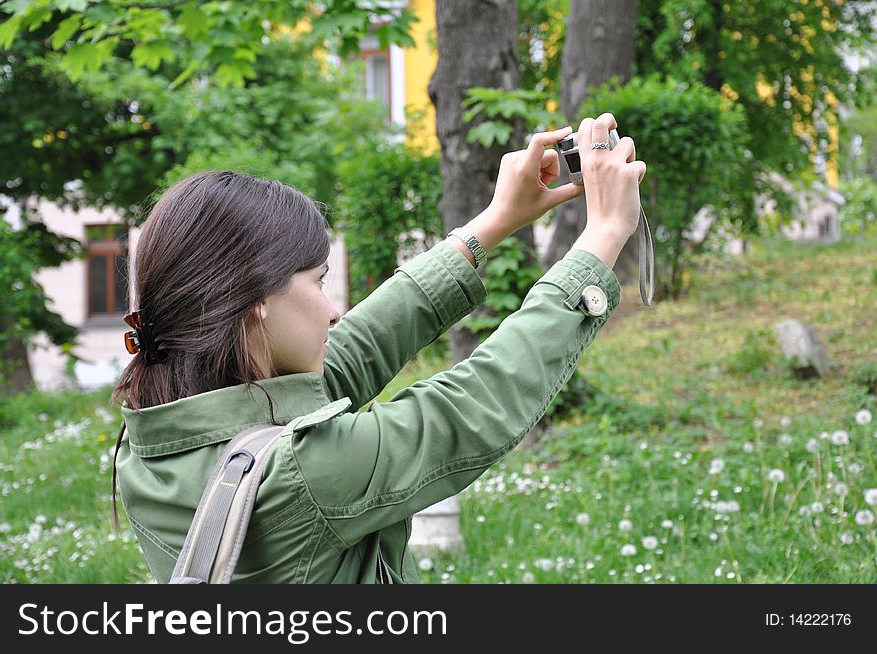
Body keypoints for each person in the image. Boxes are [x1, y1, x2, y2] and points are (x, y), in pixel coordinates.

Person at [111, 113, 646, 583]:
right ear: (256, 302)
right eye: (319, 283)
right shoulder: (302, 476)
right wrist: (602, 236)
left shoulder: (155, 435)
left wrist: (493, 222)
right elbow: (472, 406)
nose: (332, 310)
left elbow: (358, 346)